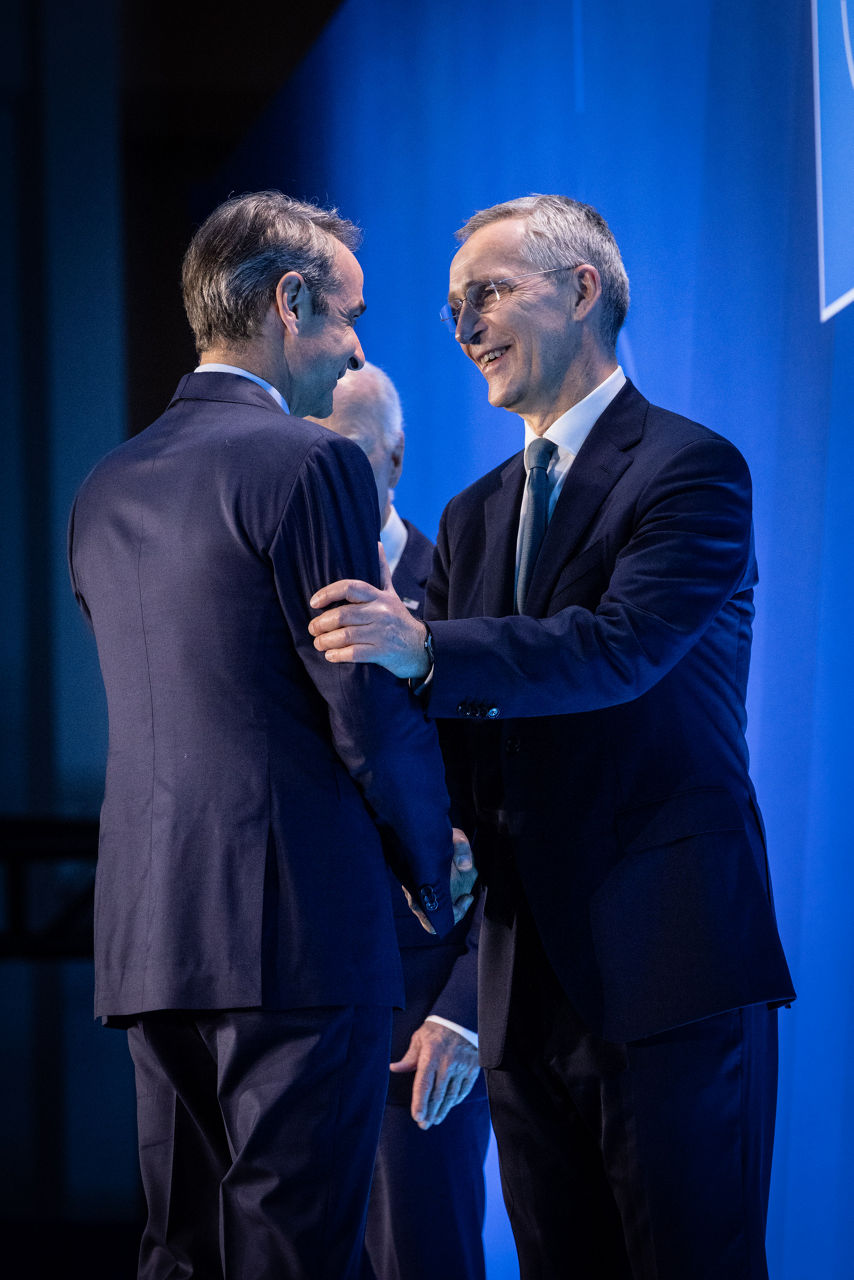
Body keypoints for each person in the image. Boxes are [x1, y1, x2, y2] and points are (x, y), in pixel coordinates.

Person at [307, 194, 796, 1279]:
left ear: (581, 290)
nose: (466, 325)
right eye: (451, 310)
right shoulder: (477, 512)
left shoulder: (690, 469)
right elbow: (475, 747)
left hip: (666, 968)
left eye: (486, 293)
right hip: (520, 991)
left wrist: (425, 646)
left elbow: (614, 649)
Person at [67, 191, 476, 1280]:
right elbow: (360, 708)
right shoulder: (311, 464)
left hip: (149, 939)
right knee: (293, 1253)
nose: (353, 349)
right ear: (287, 302)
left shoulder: (102, 488)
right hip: (297, 935)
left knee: (183, 1251)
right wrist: (430, 859)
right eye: (347, 316)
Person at [312, 363, 490, 1280]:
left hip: (426, 1016)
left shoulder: (465, 589)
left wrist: (463, 1012)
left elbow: (508, 816)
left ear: (394, 458)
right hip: (302, 1009)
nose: (319, 478)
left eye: (341, 457)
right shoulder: (268, 595)